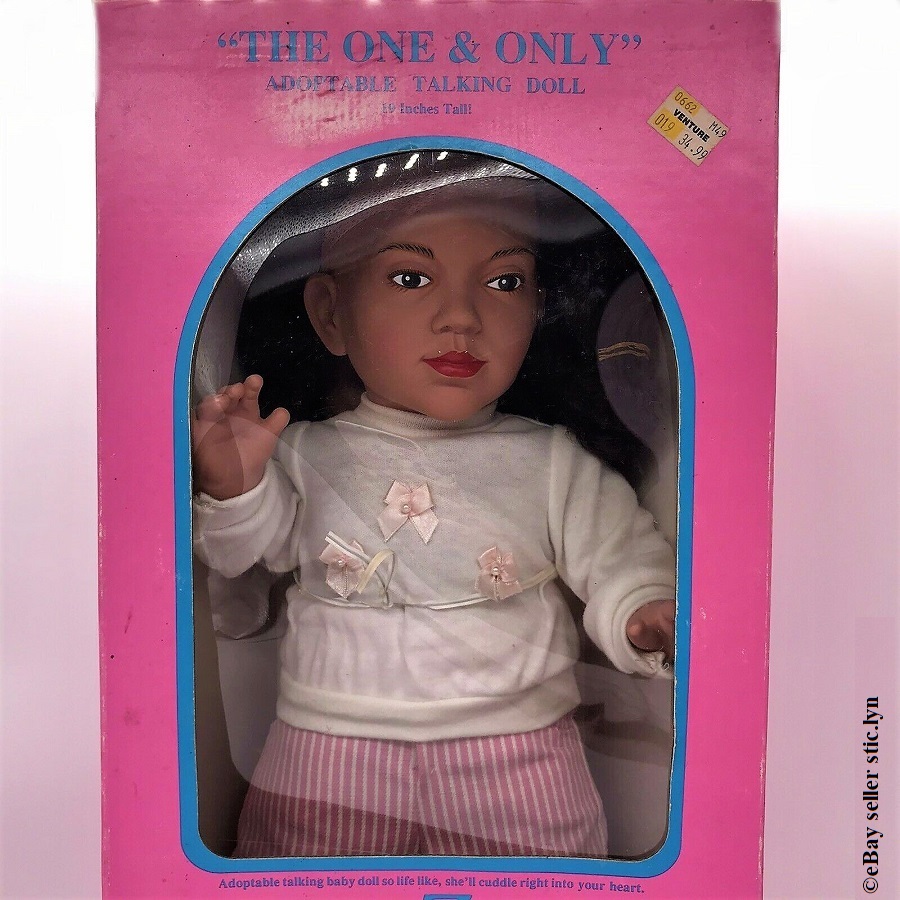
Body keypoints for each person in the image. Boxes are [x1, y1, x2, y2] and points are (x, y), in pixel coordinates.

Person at [191, 152, 676, 858]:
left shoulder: (550, 462)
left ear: (538, 308)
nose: (460, 318)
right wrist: (234, 487)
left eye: (505, 282)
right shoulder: (301, 454)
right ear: (329, 313)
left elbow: (620, 557)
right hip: (330, 747)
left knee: (549, 881)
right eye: (410, 278)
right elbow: (235, 558)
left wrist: (643, 611)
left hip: (518, 753)